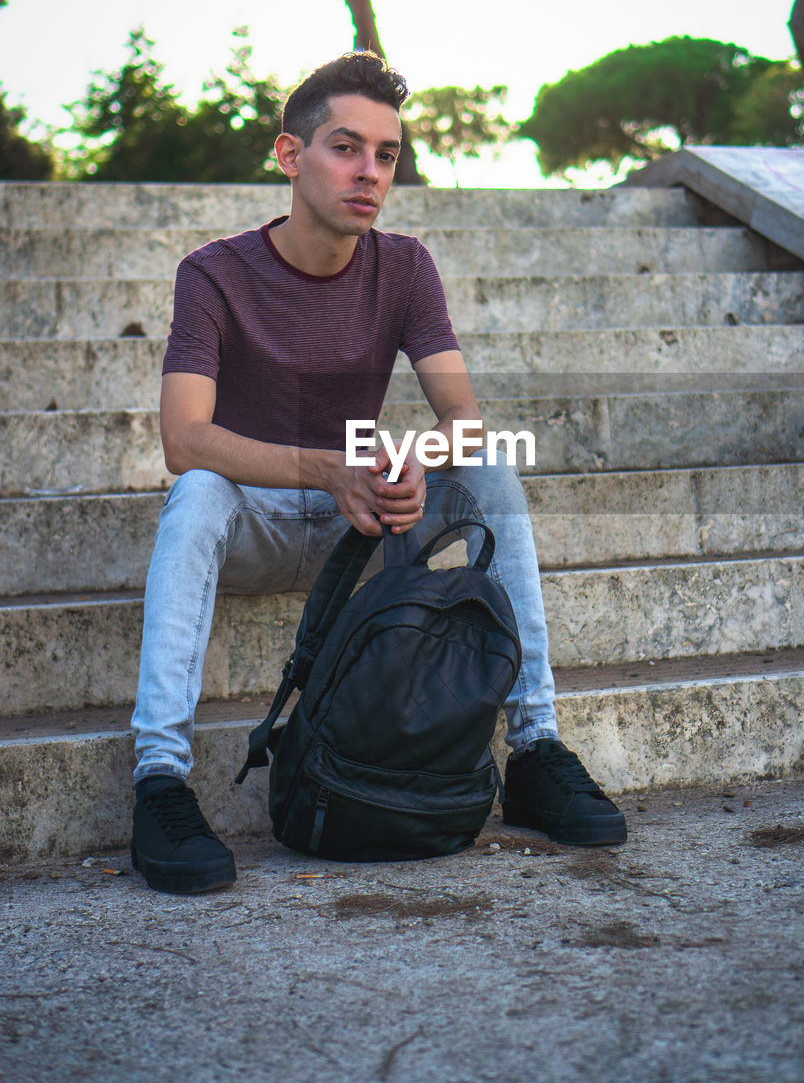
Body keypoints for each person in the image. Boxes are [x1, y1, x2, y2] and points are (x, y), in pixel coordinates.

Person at [130, 51, 627, 894]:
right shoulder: (212, 273)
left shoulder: (404, 267)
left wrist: (410, 459)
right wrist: (330, 468)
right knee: (197, 492)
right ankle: (159, 781)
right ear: (290, 156)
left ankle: (536, 748)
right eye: (344, 148)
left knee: (490, 473)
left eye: (386, 155)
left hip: (357, 527)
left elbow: (461, 419)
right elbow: (185, 437)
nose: (370, 173)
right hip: (257, 518)